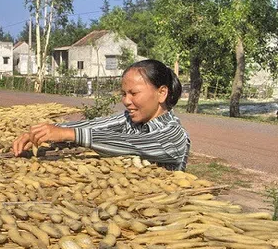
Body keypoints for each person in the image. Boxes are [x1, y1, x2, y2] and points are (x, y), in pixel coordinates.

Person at [12, 59, 191, 171]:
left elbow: (133, 145)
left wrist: (69, 134)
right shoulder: (129, 120)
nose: (126, 101)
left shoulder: (174, 136)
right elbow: (94, 126)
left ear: (161, 93)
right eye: (123, 94)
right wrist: (49, 131)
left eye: (134, 94)